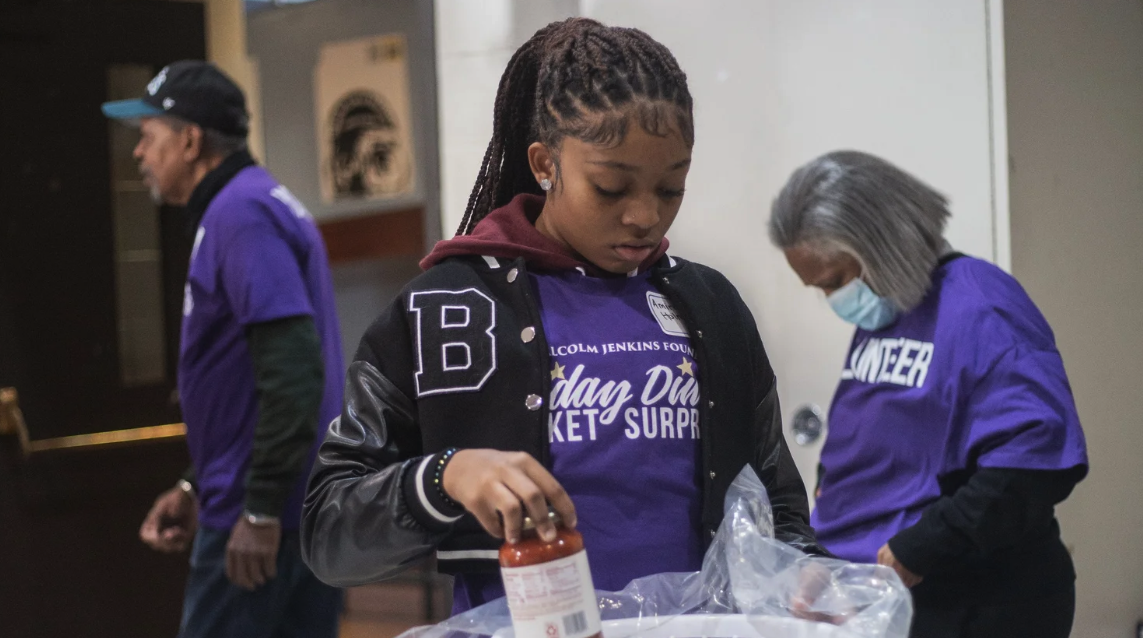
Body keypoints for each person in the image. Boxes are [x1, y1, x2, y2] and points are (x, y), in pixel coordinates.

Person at [301, 17, 826, 613]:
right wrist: (445, 477)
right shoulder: (444, 307)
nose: (644, 216)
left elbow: (779, 507)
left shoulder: (713, 307)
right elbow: (328, 535)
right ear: (545, 164)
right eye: (610, 188)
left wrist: (803, 578)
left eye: (670, 188)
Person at [768, 150, 1088, 638]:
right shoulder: (887, 314)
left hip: (982, 603)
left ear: (882, 242)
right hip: (894, 601)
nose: (834, 300)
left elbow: (1032, 463)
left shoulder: (980, 306)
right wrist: (827, 553)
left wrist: (924, 546)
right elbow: (872, 452)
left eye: (836, 281)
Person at [102, 61, 344, 638]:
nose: (139, 153)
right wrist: (194, 482)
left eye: (149, 136)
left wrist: (258, 508)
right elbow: (242, 381)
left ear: (189, 141)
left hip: (263, 520)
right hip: (279, 505)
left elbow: (293, 373)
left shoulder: (241, 215)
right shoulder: (253, 203)